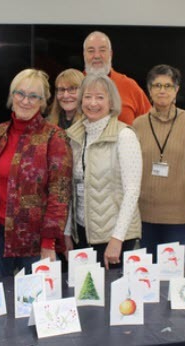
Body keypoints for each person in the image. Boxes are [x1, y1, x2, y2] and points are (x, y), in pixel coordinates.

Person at [0, 69, 73, 278]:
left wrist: (49, 242)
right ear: (12, 96)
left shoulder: (55, 137)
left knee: (35, 307)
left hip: (35, 243)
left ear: (43, 102)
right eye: (20, 93)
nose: (25, 101)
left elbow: (59, 196)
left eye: (34, 96)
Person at [65, 74, 142, 270]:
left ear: (111, 102)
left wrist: (117, 239)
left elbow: (132, 191)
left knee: (112, 297)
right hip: (81, 232)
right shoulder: (76, 137)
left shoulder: (124, 136)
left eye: (100, 97)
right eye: (88, 96)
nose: (93, 103)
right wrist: (67, 232)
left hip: (113, 236)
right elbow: (70, 190)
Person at [132, 65, 185, 262]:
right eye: (157, 85)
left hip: (180, 212)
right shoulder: (138, 124)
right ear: (149, 90)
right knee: (148, 269)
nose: (162, 90)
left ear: (176, 90)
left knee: (172, 270)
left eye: (168, 86)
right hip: (147, 212)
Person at [83, 31, 151, 125]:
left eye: (102, 50)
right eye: (91, 51)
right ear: (84, 54)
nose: (97, 56)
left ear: (110, 54)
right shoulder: (74, 85)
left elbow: (151, 126)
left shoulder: (130, 86)